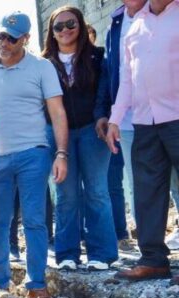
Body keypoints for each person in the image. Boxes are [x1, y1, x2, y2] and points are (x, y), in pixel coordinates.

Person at [0, 12, 69, 298]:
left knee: (35, 221)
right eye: (1, 35)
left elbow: (57, 113)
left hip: (33, 154)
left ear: (26, 39)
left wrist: (61, 153)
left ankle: (37, 285)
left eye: (11, 38)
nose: (4, 42)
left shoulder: (42, 68)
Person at [107, 0, 179, 281]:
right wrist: (115, 118)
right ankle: (153, 260)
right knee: (147, 192)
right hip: (145, 122)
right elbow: (127, 79)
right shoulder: (135, 24)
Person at [42, 6, 118, 271]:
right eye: (58, 27)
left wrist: (101, 117)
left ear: (81, 25)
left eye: (70, 24)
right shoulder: (44, 64)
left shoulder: (97, 57)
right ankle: (67, 254)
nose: (65, 30)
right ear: (51, 33)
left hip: (91, 130)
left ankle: (102, 254)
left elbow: (104, 93)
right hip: (57, 134)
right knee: (65, 194)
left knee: (97, 191)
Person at [98, 0, 149, 253]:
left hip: (168, 115)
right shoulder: (116, 22)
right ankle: (150, 251)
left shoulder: (164, 11)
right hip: (129, 118)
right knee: (136, 183)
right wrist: (112, 115)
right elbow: (114, 72)